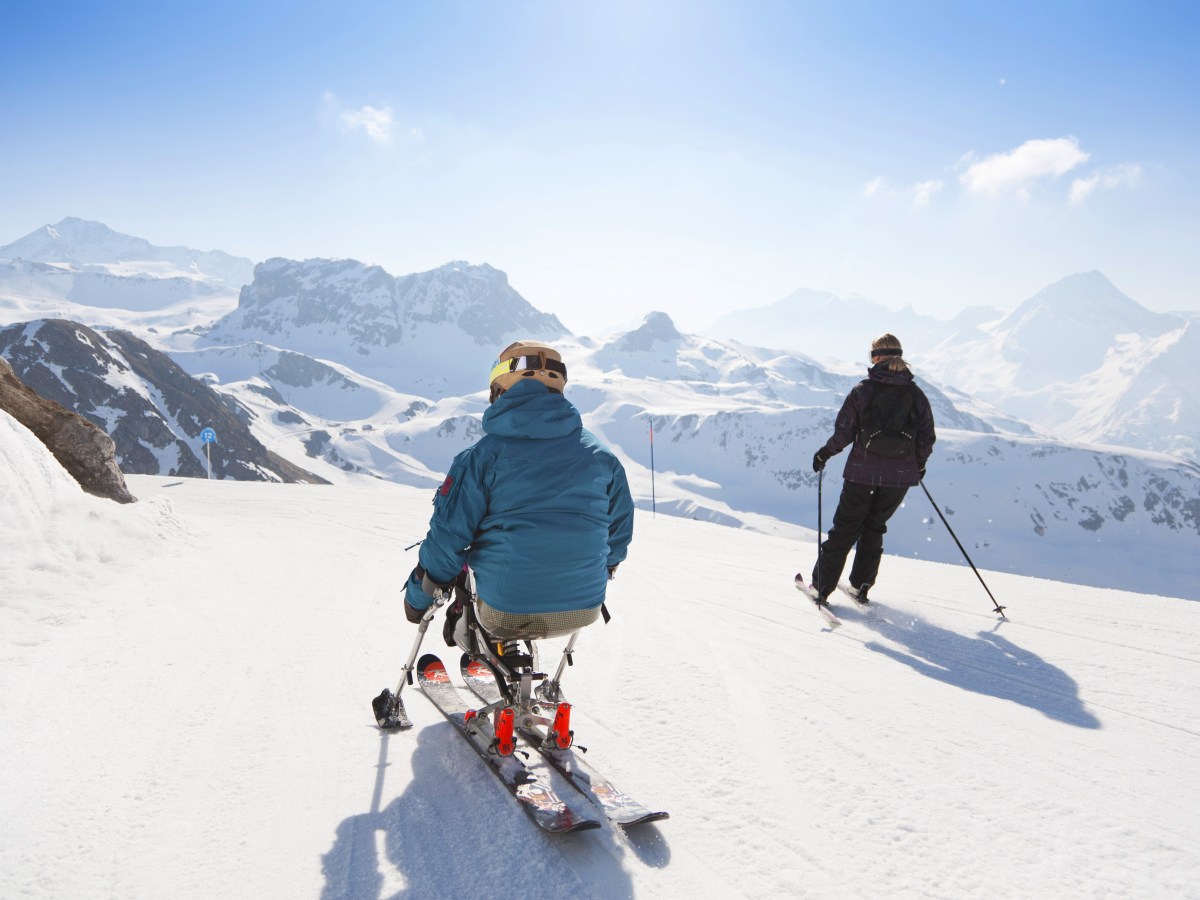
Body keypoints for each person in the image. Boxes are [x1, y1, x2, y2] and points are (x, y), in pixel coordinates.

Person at [403, 339, 635, 645]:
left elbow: (448, 541)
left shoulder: (481, 458)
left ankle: (472, 637)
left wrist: (417, 601)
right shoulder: (602, 457)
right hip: (584, 608)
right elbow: (617, 536)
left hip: (504, 612)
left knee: (467, 567)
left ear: (501, 389)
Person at [801, 333, 935, 605]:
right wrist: (917, 466)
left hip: (861, 473)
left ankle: (821, 588)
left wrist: (824, 454)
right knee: (874, 528)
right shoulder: (915, 395)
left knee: (844, 530)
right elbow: (927, 437)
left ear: (876, 357)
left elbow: (844, 433)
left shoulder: (863, 391)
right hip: (898, 478)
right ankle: (860, 587)